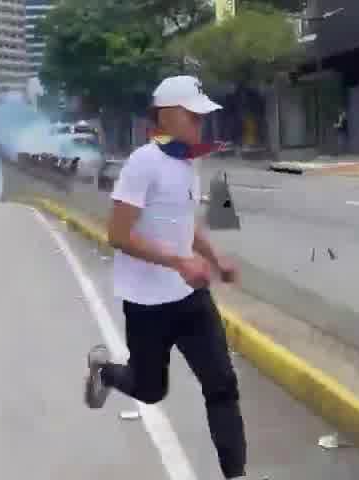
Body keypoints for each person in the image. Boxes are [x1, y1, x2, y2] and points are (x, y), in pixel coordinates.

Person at [84, 75, 248, 479]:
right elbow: (119, 234)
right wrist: (179, 262)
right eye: (194, 116)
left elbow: (182, 224)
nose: (200, 124)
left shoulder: (187, 161)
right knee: (151, 390)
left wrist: (214, 257)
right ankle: (106, 371)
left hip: (190, 298)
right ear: (170, 115)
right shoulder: (143, 162)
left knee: (222, 384)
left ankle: (236, 474)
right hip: (146, 304)